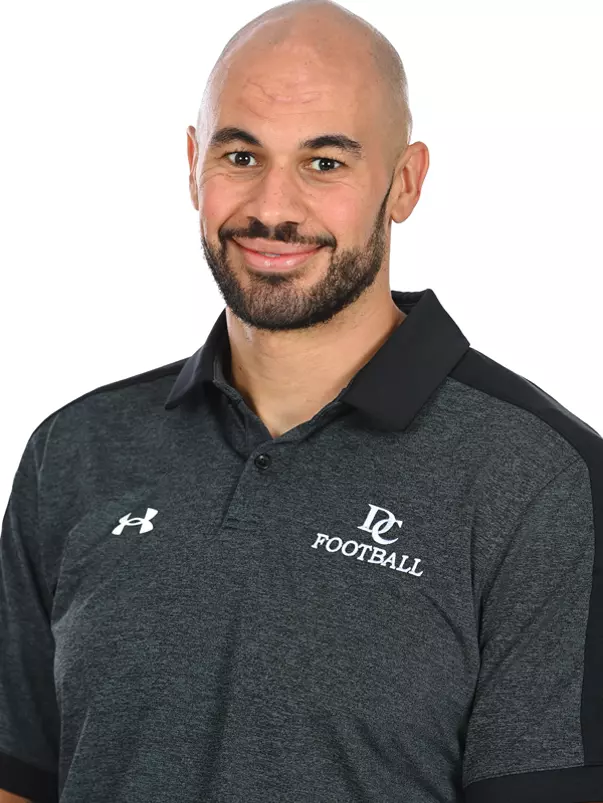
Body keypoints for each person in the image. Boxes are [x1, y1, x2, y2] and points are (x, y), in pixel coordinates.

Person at [1, 1, 602, 801]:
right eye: (241, 155)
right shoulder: (73, 451)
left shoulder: (537, 480)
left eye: (325, 163)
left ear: (404, 183)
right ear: (191, 164)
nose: (273, 208)